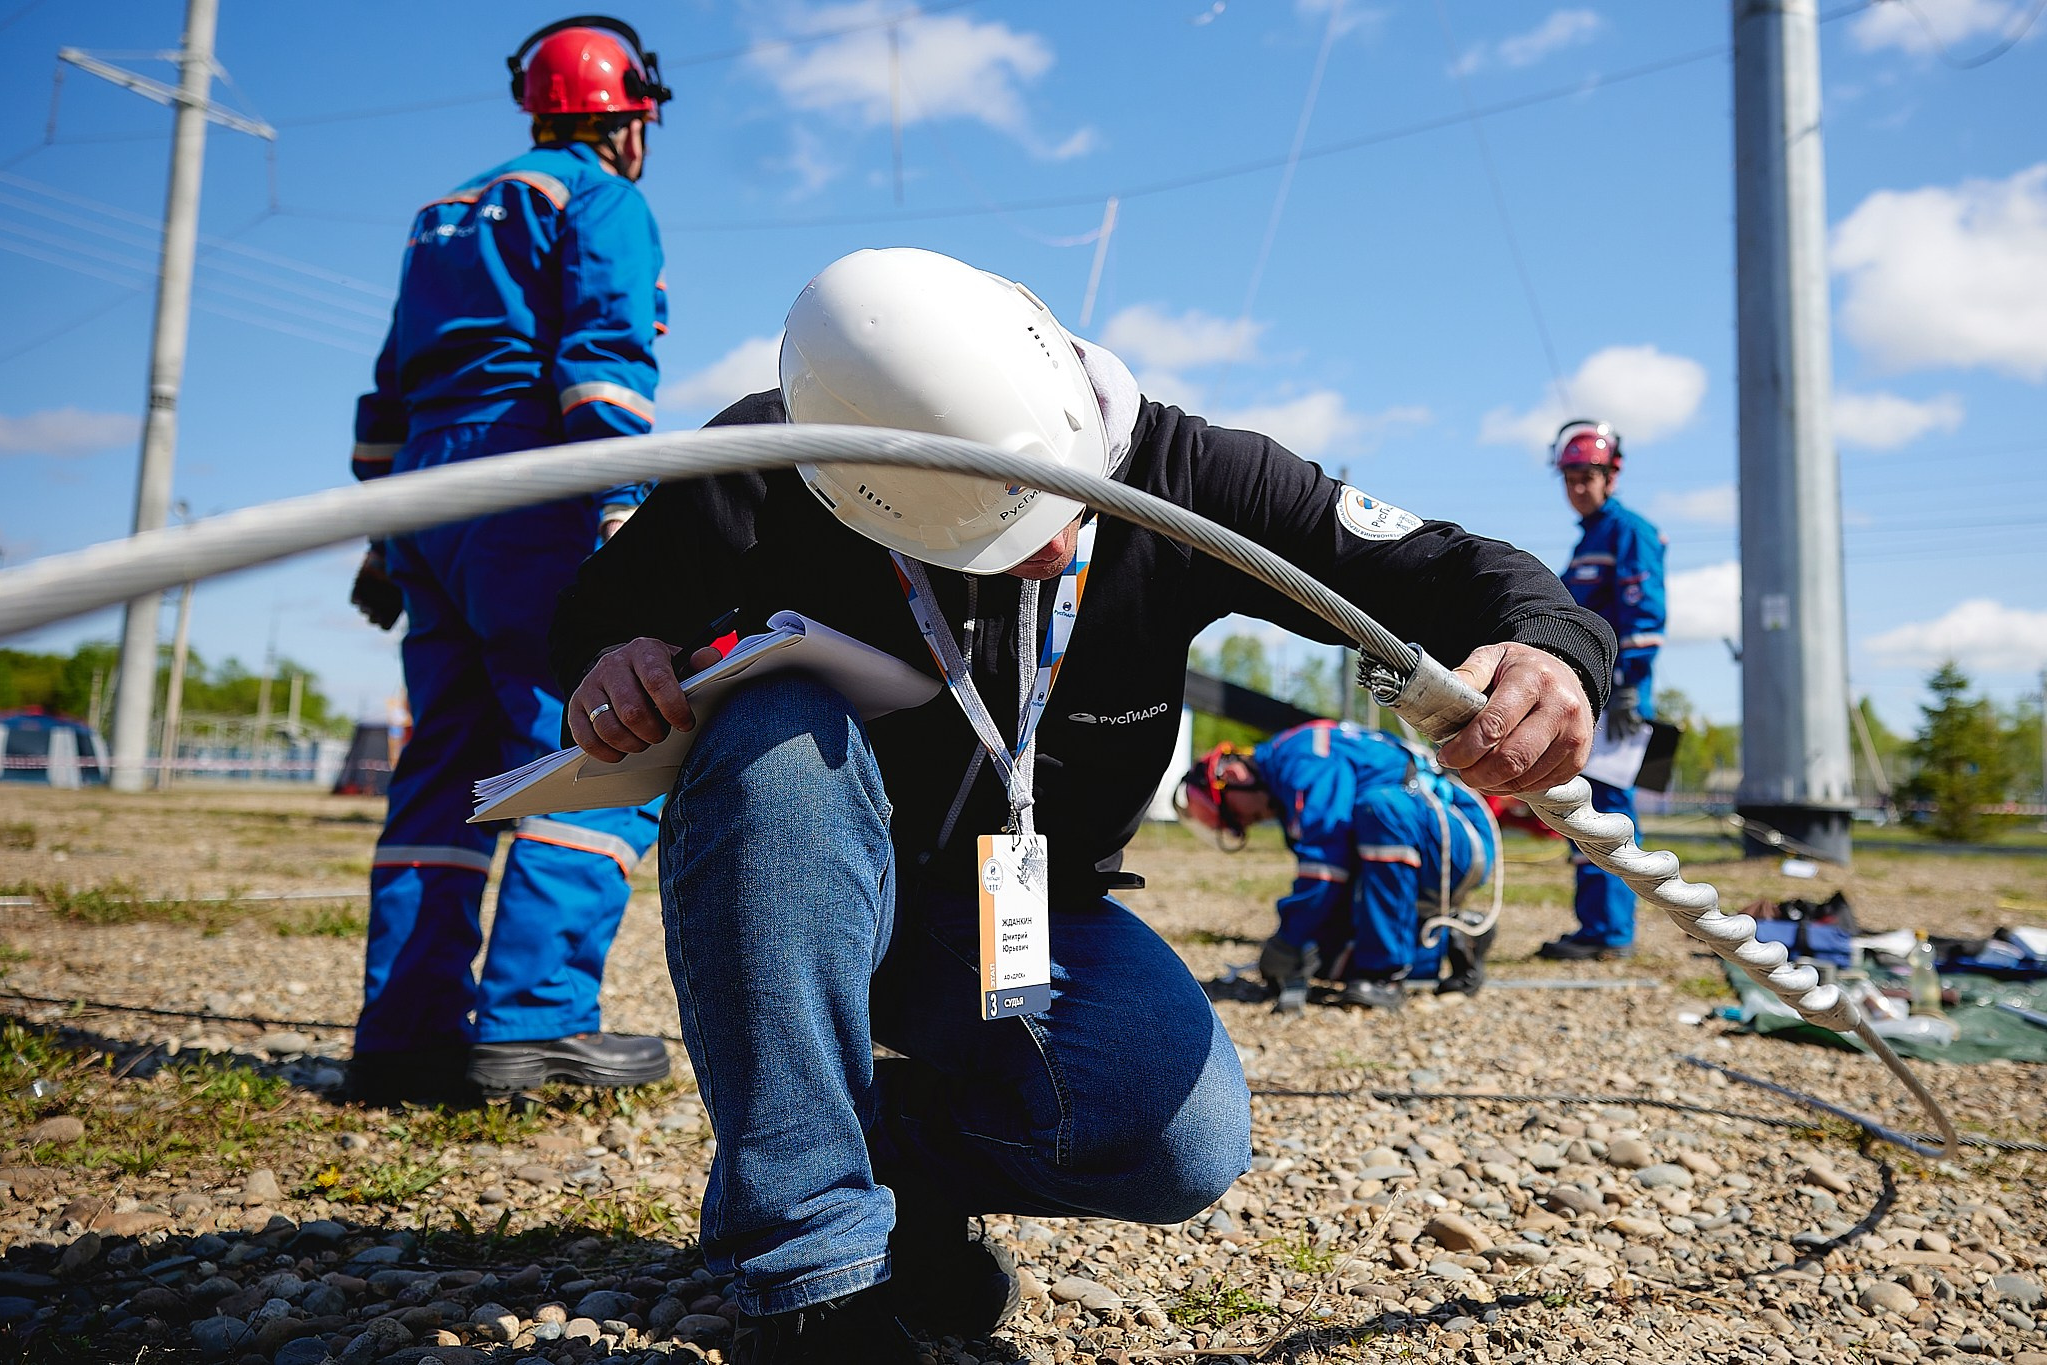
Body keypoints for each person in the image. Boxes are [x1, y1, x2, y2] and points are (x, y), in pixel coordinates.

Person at [548, 247, 1614, 1362]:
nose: (1052, 550)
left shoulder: (1192, 473)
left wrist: (1553, 652)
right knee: (772, 736)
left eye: (1056, 503)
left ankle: (881, 1170)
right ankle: (809, 1274)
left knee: (1177, 1137)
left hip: (1021, 911)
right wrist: (607, 661)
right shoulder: (760, 463)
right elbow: (590, 617)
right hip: (808, 885)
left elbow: (1446, 566)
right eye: (987, 540)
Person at [342, 16, 677, 1104]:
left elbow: (391, 389)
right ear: (624, 110)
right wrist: (625, 506)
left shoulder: (440, 218)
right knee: (588, 744)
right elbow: (603, 365)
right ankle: (534, 1025)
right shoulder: (598, 199)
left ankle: (404, 1038)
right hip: (531, 491)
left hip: (428, 505)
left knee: (443, 767)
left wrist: (385, 538)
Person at [1179, 723, 1499, 1013]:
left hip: (1459, 839)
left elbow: (1324, 868)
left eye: (1232, 815)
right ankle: (1454, 940)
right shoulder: (1287, 774)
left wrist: (1289, 939)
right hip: (1422, 838)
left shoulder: (1303, 760)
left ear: (1234, 776)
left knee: (1380, 808)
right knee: (1326, 958)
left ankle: (1383, 977)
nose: (1241, 826)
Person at [1539, 419, 1666, 962]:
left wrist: (1632, 686)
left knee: (1608, 809)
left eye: (1587, 476)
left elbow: (1645, 615)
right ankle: (1596, 926)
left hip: (1619, 698)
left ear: (1611, 476)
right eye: (1569, 477)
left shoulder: (1629, 532)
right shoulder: (1589, 538)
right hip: (1592, 698)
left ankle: (1611, 933)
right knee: (1584, 807)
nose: (1577, 487)